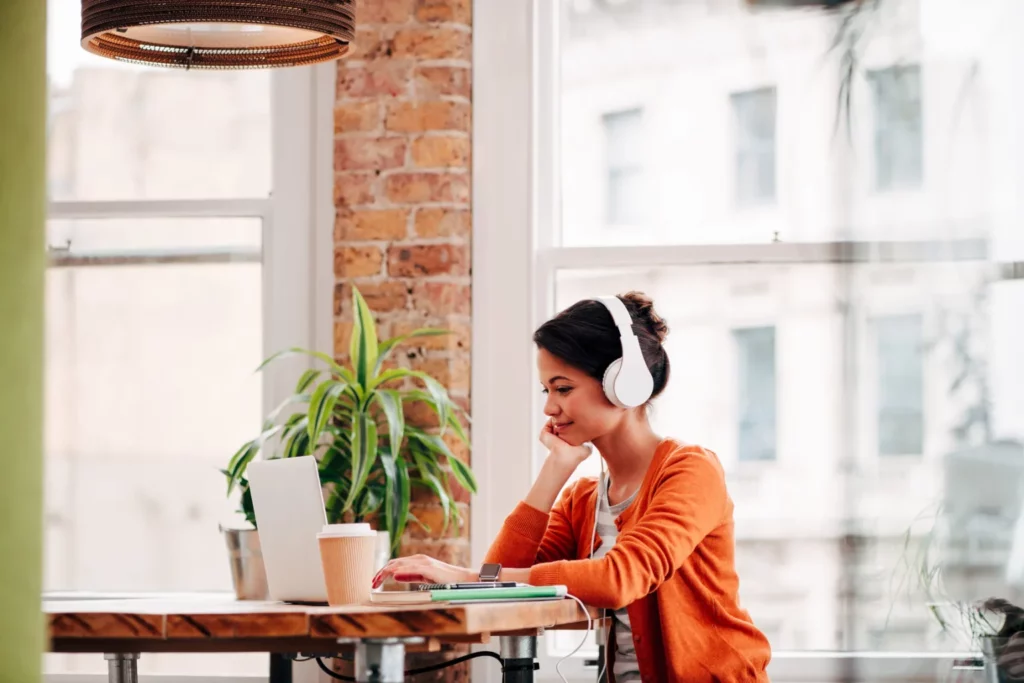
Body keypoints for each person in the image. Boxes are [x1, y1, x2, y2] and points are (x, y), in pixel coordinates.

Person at [374, 292, 772, 682]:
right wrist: (554, 470)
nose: (549, 407)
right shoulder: (583, 497)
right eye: (546, 391)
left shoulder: (690, 471)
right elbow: (501, 584)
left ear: (624, 385)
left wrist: (460, 573)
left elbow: (619, 579)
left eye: (563, 389)